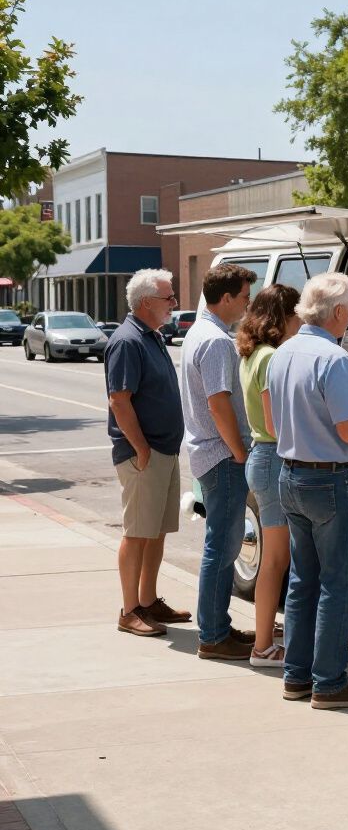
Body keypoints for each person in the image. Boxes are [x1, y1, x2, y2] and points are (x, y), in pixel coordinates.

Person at [267, 272, 348, 709]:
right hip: (331, 479)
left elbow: (275, 422)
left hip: (291, 474)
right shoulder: (333, 359)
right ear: (338, 313)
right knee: (339, 585)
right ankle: (330, 683)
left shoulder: (283, 353)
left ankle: (297, 676)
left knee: (303, 581)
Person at [105, 269, 189, 637]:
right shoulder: (127, 341)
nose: (174, 304)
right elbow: (119, 402)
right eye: (168, 298)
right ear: (145, 303)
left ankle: (149, 600)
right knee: (137, 532)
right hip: (145, 453)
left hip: (163, 451)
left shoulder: (151, 336)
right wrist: (140, 449)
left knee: (155, 532)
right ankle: (129, 610)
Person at [180, 263, 257, 660]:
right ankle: (212, 636)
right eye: (244, 298)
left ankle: (218, 627)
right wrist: (240, 451)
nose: (247, 305)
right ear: (225, 298)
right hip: (222, 456)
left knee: (222, 546)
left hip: (212, 454)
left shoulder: (202, 332)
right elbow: (218, 402)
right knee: (222, 548)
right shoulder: (214, 341)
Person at [237, 283, 302, 668]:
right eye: (297, 316)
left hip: (261, 457)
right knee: (277, 561)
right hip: (273, 457)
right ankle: (263, 647)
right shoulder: (270, 358)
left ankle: (265, 639)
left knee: (274, 560)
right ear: (282, 317)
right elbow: (277, 424)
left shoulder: (252, 353)